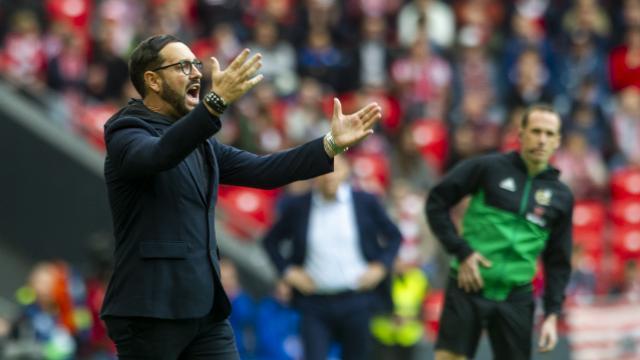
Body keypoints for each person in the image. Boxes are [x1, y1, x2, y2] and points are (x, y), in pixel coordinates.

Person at [100, 34, 382, 359]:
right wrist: (214, 104)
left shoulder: (202, 144)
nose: (196, 73)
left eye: (196, 64)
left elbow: (263, 171)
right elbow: (159, 154)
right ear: (152, 80)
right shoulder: (126, 132)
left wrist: (330, 145)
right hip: (151, 310)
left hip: (205, 310)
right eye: (182, 66)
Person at [426, 104, 574, 360]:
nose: (542, 140)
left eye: (549, 134)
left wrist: (552, 314)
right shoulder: (488, 168)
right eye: (536, 131)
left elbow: (558, 261)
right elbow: (436, 202)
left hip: (516, 296)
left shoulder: (561, 196)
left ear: (557, 141)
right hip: (467, 285)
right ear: (521, 134)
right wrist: (461, 251)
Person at [262, 156, 402, 360]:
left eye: (336, 169)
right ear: (313, 175)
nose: (329, 176)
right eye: (323, 170)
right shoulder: (298, 206)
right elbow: (270, 241)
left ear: (347, 172)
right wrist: (288, 272)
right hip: (314, 303)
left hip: (356, 299)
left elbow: (394, 236)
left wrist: (381, 267)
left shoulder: (365, 201)